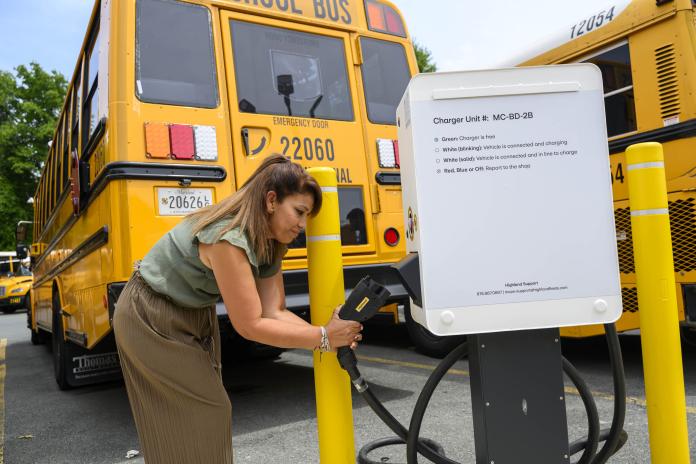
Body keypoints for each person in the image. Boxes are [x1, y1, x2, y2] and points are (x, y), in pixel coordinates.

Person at [113, 154, 363, 464]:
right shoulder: (228, 237)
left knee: (196, 419)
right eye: (299, 211)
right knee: (203, 412)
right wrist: (324, 336)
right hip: (149, 311)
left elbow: (274, 311)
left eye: (307, 215)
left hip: (192, 311)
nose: (302, 224)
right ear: (271, 200)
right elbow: (250, 325)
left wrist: (330, 332)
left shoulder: (271, 240)